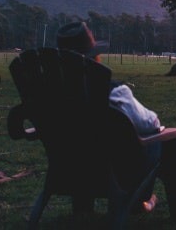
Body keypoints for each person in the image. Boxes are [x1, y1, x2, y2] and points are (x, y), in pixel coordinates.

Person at [56, 21, 162, 212]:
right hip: (115, 172)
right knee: (157, 141)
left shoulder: (52, 95)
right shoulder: (114, 93)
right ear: (94, 57)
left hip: (69, 171)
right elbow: (150, 122)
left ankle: (83, 205)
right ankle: (140, 198)